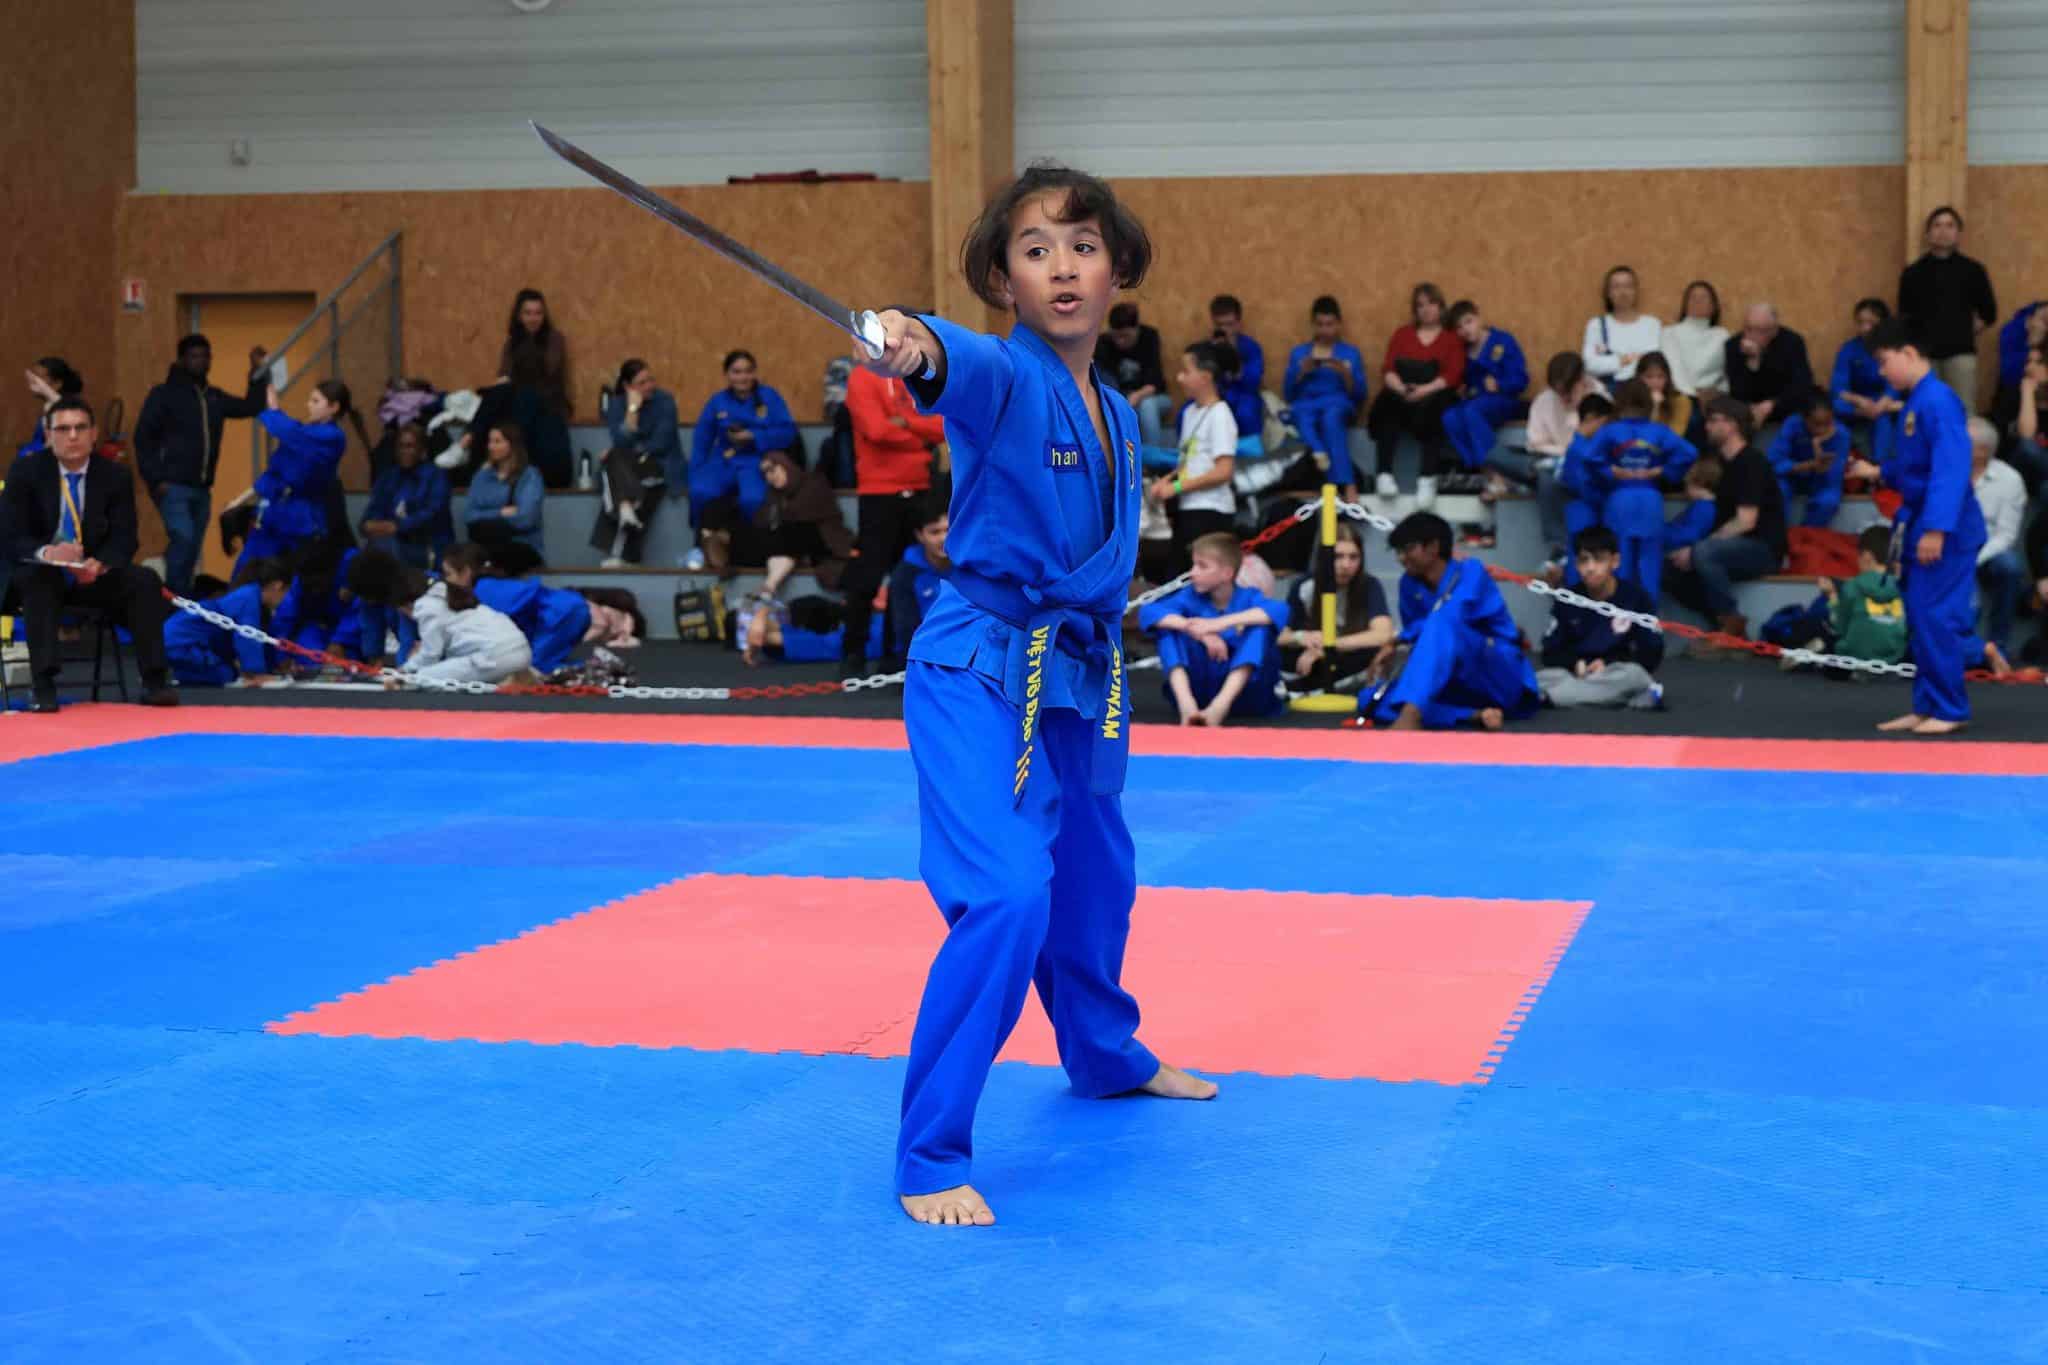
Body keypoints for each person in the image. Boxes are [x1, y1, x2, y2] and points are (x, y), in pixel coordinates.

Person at [861, 162, 1220, 1228]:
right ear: (1002, 281)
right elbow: (947, 359)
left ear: (1116, 271)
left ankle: (1103, 1054)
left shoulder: (1117, 411)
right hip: (979, 668)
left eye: (1082, 247)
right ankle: (929, 1152)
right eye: (1034, 250)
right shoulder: (1003, 377)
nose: (1061, 267)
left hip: (1077, 668)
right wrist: (911, 341)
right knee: (1009, 891)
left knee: (1098, 873)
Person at [1843, 318, 1986, 733]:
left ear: (1908, 353)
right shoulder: (1917, 401)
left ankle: (1949, 708)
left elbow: (1950, 469)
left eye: (1884, 361)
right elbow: (1915, 467)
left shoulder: (1937, 400)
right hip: (1922, 519)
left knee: (1937, 616)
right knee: (1922, 617)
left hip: (1946, 527)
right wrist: (1878, 472)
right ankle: (1927, 704)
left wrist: (1937, 529)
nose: (1881, 372)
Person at [1, 396, 178, 711]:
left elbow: (125, 537)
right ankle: (43, 686)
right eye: (63, 429)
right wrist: (48, 552)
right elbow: (10, 535)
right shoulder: (25, 471)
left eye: (80, 428)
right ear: (48, 434)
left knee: (144, 580)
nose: (73, 436)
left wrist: (102, 564)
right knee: (39, 579)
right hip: (38, 573)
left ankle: (155, 681)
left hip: (92, 575)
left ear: (94, 434)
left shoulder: (114, 475)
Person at [1357, 512, 1538, 731]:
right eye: (1399, 552)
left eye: (1408, 549)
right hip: (1455, 682)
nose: (1401, 558)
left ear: (1433, 547)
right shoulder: (1408, 584)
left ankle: (1410, 716)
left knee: (1442, 624)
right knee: (1370, 699)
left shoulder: (1471, 571)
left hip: (1495, 672)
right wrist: (1396, 646)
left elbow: (1448, 617)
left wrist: (1396, 639)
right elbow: (1423, 645)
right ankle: (1472, 715)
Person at [132, 336, 270, 594]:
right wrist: (155, 479)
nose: (201, 361)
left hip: (202, 489)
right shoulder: (164, 395)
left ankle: (181, 597)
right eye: (194, 356)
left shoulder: (214, 397)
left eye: (206, 356)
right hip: (172, 486)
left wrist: (257, 373)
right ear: (181, 360)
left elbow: (251, 406)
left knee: (191, 548)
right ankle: (174, 600)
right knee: (183, 538)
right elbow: (143, 438)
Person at [838, 353, 947, 671]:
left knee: (906, 575)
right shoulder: (862, 377)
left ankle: (895, 655)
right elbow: (876, 430)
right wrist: (920, 441)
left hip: (920, 486)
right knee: (868, 574)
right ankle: (853, 653)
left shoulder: (917, 376)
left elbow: (942, 426)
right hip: (879, 490)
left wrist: (907, 423)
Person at [1664, 397, 1788, 646]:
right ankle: (1720, 626)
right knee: (1669, 569)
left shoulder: (1751, 462)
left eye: (1713, 421)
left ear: (1732, 425)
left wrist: (1696, 549)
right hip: (1730, 546)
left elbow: (1746, 521)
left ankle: (1733, 628)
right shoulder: (1721, 463)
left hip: (1762, 548)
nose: (1707, 426)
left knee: (1703, 553)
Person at [1137, 531, 1287, 724]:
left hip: (1249, 698)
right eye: (1193, 564)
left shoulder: (1249, 596)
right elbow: (1148, 612)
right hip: (1200, 693)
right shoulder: (1189, 596)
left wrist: (1216, 625)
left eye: (1202, 566)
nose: (1193, 572)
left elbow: (1279, 610)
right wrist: (1195, 630)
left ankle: (1220, 706)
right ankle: (1186, 705)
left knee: (1260, 628)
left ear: (1227, 574)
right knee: (1169, 628)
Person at [687, 349, 799, 572]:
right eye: (736, 372)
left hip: (756, 459)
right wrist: (695, 472)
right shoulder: (717, 401)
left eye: (747, 371)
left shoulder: (769, 397)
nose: (742, 377)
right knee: (700, 490)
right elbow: (702, 440)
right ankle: (702, 546)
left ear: (754, 373)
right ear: (727, 375)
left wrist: (754, 436)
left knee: (752, 499)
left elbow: (788, 433)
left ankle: (746, 551)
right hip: (725, 459)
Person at [1585, 380, 1696, 599]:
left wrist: (1610, 471)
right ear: (1647, 403)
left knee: (1619, 565)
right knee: (1649, 567)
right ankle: (1649, 617)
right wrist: (1661, 471)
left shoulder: (1610, 431)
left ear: (1619, 402)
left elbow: (1588, 457)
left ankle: (1618, 616)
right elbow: (1689, 453)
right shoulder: (1659, 431)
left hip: (1621, 499)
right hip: (1649, 499)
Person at [1536, 526, 1664, 710]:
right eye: (1584, 560)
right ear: (1576, 564)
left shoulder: (1636, 598)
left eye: (1599, 559)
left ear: (1615, 561)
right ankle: (1612, 698)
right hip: (1576, 673)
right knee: (1541, 677)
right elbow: (1549, 651)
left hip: (1614, 672)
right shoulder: (1567, 599)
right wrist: (1576, 664)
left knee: (1635, 676)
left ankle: (1552, 697)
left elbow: (1652, 651)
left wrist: (1607, 663)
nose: (1590, 568)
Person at [235, 377, 349, 575]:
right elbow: (275, 472)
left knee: (294, 575)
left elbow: (291, 433)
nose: (308, 405)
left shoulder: (332, 437)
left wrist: (273, 410)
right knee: (248, 569)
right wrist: (238, 500)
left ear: (334, 407)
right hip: (275, 511)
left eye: (315, 401)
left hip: (303, 517)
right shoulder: (303, 433)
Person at [1367, 282, 1465, 505]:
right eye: (1420, 305)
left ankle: (1427, 480)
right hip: (1404, 393)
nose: (1426, 309)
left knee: (1439, 407)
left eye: (1431, 303)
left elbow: (1453, 374)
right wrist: (1401, 389)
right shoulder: (1402, 335)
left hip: (1434, 394)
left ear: (1441, 307)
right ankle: (1384, 474)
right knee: (1386, 401)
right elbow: (1388, 369)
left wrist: (1423, 391)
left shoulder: (1451, 339)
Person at [1897, 206, 1997, 409]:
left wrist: (1964, 330)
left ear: (1958, 233)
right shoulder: (1912, 273)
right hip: (1924, 357)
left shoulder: (1973, 270)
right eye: (1937, 225)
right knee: (1926, 410)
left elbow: (1989, 312)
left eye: (1950, 226)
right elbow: (1904, 316)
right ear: (1927, 234)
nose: (1943, 231)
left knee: (1963, 411)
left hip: (1960, 356)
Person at [1276, 521, 1393, 693]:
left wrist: (1330, 646)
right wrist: (1301, 637)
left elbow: (1383, 634)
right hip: (1310, 661)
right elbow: (1280, 635)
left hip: (1348, 658)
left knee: (1379, 652)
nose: (1346, 565)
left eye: (1353, 557)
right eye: (1338, 557)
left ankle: (1303, 689)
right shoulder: (1305, 585)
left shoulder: (1369, 585)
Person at [1151, 339, 1238, 566]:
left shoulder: (1220, 414)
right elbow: (1189, 461)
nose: (1179, 378)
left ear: (1205, 377)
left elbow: (1223, 471)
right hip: (1189, 506)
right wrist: (1167, 481)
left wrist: (1177, 487)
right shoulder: (1190, 412)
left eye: (1186, 371)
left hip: (1211, 510)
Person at [592, 359, 681, 567]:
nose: (649, 386)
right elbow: (620, 440)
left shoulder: (665, 401)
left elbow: (661, 443)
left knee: (613, 464)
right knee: (616, 466)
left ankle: (623, 541)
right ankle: (625, 512)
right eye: (642, 383)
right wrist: (633, 409)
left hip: (660, 464)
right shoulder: (618, 404)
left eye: (651, 380)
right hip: (631, 466)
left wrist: (628, 449)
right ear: (627, 386)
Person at [1282, 295, 1368, 497]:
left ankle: (1346, 483)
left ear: (1338, 324)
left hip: (1337, 403)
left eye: (1329, 324)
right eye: (1320, 324)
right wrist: (1301, 372)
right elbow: (1289, 394)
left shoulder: (1350, 353)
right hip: (1306, 405)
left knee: (1331, 419)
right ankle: (1320, 453)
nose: (1324, 330)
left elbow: (1359, 395)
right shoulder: (1300, 353)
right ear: (1313, 325)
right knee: (1301, 416)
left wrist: (1344, 373)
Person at [1442, 299, 1528, 490]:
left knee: (1472, 412)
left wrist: (1500, 384)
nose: (1466, 329)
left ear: (1479, 317)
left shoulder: (1502, 341)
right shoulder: (1462, 351)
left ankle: (1496, 471)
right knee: (1450, 417)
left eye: (1468, 321)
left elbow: (1521, 379)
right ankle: (1485, 472)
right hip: (1475, 403)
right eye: (1459, 327)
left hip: (1504, 400)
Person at [163, 557, 288, 687]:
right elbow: (247, 636)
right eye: (286, 592)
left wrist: (271, 665)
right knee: (227, 673)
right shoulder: (249, 597)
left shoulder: (247, 594)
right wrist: (255, 673)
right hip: (182, 644)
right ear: (277, 585)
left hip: (177, 642)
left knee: (227, 670)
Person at [491, 289, 573, 486]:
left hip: (548, 402)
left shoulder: (554, 339)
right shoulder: (512, 343)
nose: (533, 318)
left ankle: (514, 464)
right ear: (519, 316)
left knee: (528, 397)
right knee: (500, 396)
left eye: (538, 313)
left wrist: (528, 341)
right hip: (520, 404)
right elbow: (504, 375)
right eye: (528, 313)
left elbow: (548, 370)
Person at [751, 448, 854, 603]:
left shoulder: (813, 482)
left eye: (773, 469)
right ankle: (768, 587)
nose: (770, 476)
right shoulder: (774, 495)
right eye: (765, 474)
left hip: (825, 537)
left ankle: (768, 587)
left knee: (790, 535)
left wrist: (782, 516)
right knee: (774, 539)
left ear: (785, 465)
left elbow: (809, 515)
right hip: (793, 546)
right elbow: (763, 521)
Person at [1968, 416, 2026, 658]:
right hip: (1949, 546)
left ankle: (1998, 646)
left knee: (2010, 566)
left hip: (1988, 550)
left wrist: (1974, 559)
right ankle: (1961, 651)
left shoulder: (2010, 480)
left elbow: (2006, 536)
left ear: (1982, 451)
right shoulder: (1948, 470)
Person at [1814, 525, 1908, 670]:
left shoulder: (1852, 586)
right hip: (1894, 658)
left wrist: (1831, 596)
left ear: (1867, 556)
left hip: (1853, 656)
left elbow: (1839, 626)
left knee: (1821, 623)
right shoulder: (1905, 587)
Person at [359, 422, 452, 569]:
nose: (404, 451)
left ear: (422, 450)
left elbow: (432, 515)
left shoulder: (436, 477)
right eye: (400, 446)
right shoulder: (388, 477)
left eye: (410, 446)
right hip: (389, 542)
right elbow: (371, 514)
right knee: (358, 554)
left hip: (426, 547)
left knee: (381, 550)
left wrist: (398, 526)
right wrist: (368, 524)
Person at [463, 421, 545, 573]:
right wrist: (500, 512)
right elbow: (469, 516)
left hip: (521, 545)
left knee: (498, 550)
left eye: (497, 441)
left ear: (512, 445)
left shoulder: (529, 476)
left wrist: (486, 516)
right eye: (490, 441)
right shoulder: (482, 476)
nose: (491, 447)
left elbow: (526, 519)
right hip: (484, 543)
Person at [1723, 303, 1814, 432]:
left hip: (1784, 413)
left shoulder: (1792, 342)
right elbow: (1737, 392)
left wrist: (1772, 404)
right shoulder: (1733, 346)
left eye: (1760, 330)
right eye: (1748, 328)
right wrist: (1753, 362)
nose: (1751, 335)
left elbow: (1802, 386)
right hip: (1746, 415)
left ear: (1774, 331)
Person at [1766, 393, 1851, 529]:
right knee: (1777, 489)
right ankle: (1779, 532)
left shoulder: (1841, 434)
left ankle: (1805, 534)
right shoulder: (1792, 424)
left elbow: (1834, 477)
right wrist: (1808, 465)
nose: (1822, 429)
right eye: (1816, 424)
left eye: (1827, 423)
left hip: (1820, 480)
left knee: (1829, 500)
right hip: (1791, 476)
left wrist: (1820, 459)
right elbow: (1774, 462)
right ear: (1804, 418)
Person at [1094, 302, 1171, 451]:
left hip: (1153, 397)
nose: (1121, 341)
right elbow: (1103, 381)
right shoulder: (1103, 342)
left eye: (1126, 336)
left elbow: (1154, 382)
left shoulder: (1149, 337)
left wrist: (1136, 396)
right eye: (1117, 336)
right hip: (1121, 398)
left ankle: (1153, 457)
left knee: (1147, 405)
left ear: (1136, 329)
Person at [1554, 391, 1616, 576]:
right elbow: (1583, 485)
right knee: (1581, 562)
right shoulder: (1582, 451)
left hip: (1583, 510)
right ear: (1591, 418)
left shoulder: (1579, 447)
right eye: (1604, 424)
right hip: (1584, 511)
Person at [1831, 298, 1900, 458]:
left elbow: (1894, 385)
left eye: (1871, 323)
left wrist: (1881, 405)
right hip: (1858, 404)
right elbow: (1838, 387)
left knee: (1883, 418)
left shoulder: (1893, 348)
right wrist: (1860, 402)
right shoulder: (1849, 349)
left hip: (1884, 403)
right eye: (1860, 322)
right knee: (1835, 405)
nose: (1865, 328)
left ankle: (1879, 464)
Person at [884, 497, 951, 657]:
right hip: (922, 656)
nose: (943, 538)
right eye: (935, 532)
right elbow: (905, 629)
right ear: (920, 535)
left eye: (948, 530)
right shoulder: (905, 574)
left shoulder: (969, 566)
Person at [1582, 265, 1663, 387]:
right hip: (1608, 392)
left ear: (1636, 291)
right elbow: (1590, 365)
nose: (1623, 292)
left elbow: (1655, 363)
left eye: (1628, 286)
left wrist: (1611, 362)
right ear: (1608, 293)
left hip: (1645, 391)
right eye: (1616, 287)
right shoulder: (1597, 325)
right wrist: (1624, 360)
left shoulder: (1652, 324)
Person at [1208, 294, 1266, 454]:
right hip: (1216, 396)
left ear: (1239, 324)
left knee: (1246, 412)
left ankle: (1253, 459)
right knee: (1188, 411)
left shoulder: (1251, 347)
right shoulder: (1207, 349)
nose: (1225, 330)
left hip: (1244, 395)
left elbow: (1253, 382)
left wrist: (1233, 355)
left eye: (1229, 324)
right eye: (1219, 325)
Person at [1662, 281, 1729, 398]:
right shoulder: (1670, 333)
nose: (1698, 301)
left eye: (1704, 297)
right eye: (1693, 297)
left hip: (1714, 398)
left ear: (1714, 306)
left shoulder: (1722, 335)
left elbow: (1727, 374)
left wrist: (1717, 393)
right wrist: (1692, 395)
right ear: (1685, 304)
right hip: (1680, 396)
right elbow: (1674, 370)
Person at [1664, 456, 1724, 558]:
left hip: (1677, 554)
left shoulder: (1704, 508)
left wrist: (1658, 532)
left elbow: (1688, 536)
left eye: (1688, 484)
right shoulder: (1702, 505)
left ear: (1698, 483)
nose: (1686, 489)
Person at [1635, 351, 1694, 440]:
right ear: (1639, 377)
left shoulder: (1681, 401)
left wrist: (1656, 407)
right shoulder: (1631, 399)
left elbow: (1673, 437)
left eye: (1660, 376)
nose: (1655, 382)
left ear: (1667, 378)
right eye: (1649, 377)